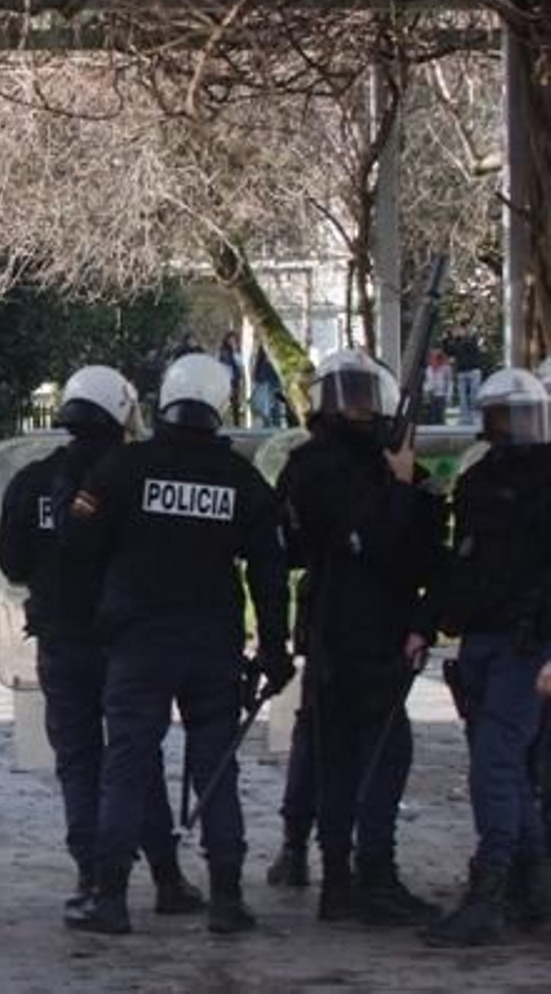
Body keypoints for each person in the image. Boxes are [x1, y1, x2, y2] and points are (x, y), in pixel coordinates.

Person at [63, 353, 292, 935]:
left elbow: (78, 549)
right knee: (215, 766)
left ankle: (110, 897)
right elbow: (269, 568)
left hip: (138, 644)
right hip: (213, 645)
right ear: (221, 405)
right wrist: (273, 648)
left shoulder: (123, 468)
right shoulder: (239, 478)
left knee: (129, 764)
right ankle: (226, 897)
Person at [0, 365, 204, 926]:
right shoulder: (132, 479)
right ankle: (165, 876)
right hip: (126, 641)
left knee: (79, 762)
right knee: (138, 760)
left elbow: (10, 561)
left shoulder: (34, 480)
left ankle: (91, 875)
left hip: (61, 641)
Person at [276, 349, 444, 926]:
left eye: (364, 396)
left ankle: (350, 876)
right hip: (346, 628)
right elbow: (363, 540)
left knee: (356, 754)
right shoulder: (320, 468)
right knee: (365, 755)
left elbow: (427, 557)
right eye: (348, 397)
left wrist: (423, 621)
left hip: (377, 626)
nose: (358, 409)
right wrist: (399, 488)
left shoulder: (377, 464)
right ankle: (359, 876)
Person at [421, 370, 551, 947]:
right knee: (505, 767)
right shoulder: (476, 482)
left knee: (497, 764)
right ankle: (532, 884)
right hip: (485, 641)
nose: (515, 428)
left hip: (528, 644)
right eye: (504, 416)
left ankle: (491, 890)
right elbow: (464, 563)